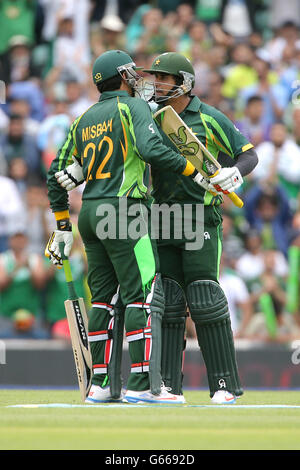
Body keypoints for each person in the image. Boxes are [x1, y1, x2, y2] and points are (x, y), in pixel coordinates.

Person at [45, 49, 212, 405]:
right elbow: (151, 147)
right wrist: (194, 171)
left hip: (90, 215)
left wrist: (62, 226)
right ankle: (141, 384)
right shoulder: (132, 107)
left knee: (103, 300)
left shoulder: (83, 119)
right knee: (143, 295)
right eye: (132, 74)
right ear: (121, 77)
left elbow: (55, 176)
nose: (139, 80)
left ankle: (101, 384)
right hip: (125, 211)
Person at [141, 51, 258, 404]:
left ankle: (225, 386)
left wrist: (232, 173)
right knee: (169, 303)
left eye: (163, 79)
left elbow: (249, 154)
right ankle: (167, 388)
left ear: (185, 83)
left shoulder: (209, 118)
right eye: (155, 78)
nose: (156, 84)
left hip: (199, 218)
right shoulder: (151, 118)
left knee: (205, 298)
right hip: (161, 217)